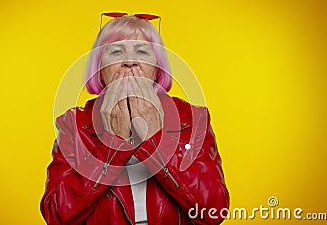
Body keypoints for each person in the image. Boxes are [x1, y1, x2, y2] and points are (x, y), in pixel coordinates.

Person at [40, 14, 229, 225]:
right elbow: (56, 216)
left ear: (157, 69)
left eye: (141, 51)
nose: (129, 62)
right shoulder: (74, 124)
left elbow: (214, 211)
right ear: (100, 69)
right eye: (117, 51)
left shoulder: (193, 119)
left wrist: (156, 140)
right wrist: (113, 145)